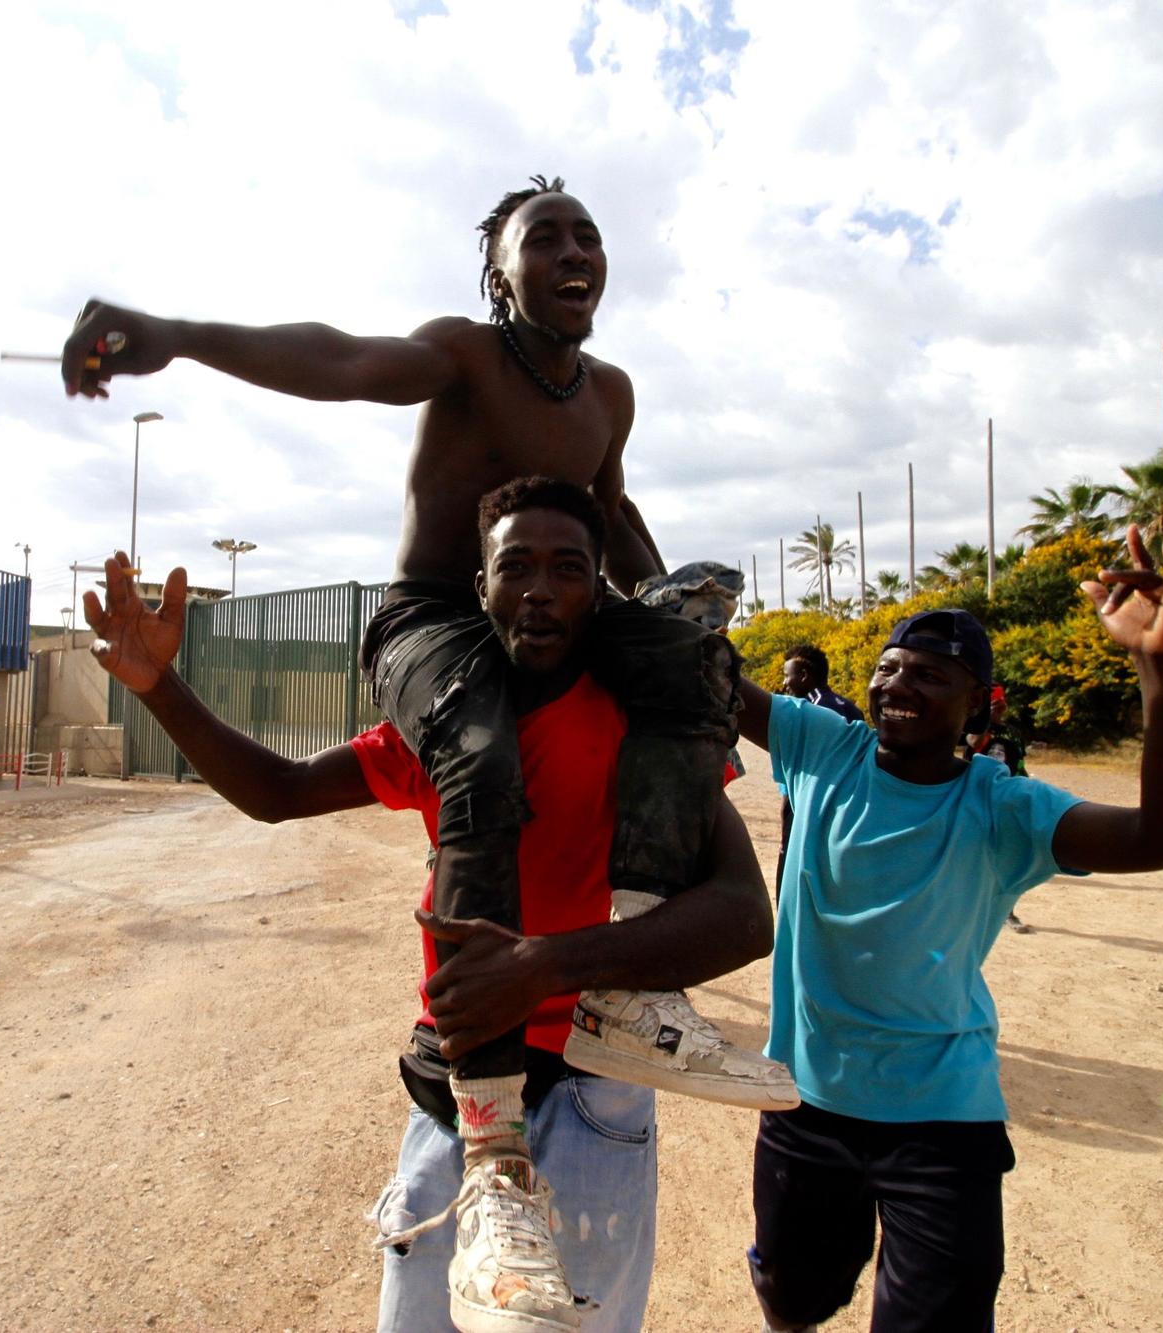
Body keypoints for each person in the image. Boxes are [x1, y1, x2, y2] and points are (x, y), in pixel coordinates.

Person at [62, 181, 789, 1158]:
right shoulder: (464, 352)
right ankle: (476, 1092)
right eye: (544, 240)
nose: (573, 252)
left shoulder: (608, 393)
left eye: (587, 236)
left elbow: (606, 513)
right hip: (440, 617)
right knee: (484, 754)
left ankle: (627, 981)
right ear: (499, 272)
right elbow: (344, 359)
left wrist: (671, 630)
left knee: (690, 663)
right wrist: (178, 333)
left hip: (548, 617)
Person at [82, 479, 775, 1332]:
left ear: (600, 591)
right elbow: (279, 790)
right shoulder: (448, 726)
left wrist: (549, 965)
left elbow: (745, 912)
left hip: (601, 1088)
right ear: (479, 590)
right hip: (460, 1094)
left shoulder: (648, 725)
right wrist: (159, 687)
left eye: (567, 568)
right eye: (514, 566)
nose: (539, 589)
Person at [733, 527, 1163, 1332]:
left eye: (929, 674)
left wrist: (1159, 669)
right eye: (887, 667)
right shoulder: (824, 748)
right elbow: (705, 675)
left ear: (979, 703)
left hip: (942, 1121)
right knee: (792, 1298)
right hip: (804, 1099)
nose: (898, 684)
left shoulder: (1002, 807)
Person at [771, 645, 860, 897]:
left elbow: (808, 765)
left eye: (787, 675)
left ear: (803, 676)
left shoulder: (811, 711)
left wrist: (787, 802)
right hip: (845, 804)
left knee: (796, 863)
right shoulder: (849, 706)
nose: (784, 683)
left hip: (812, 803)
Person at [963, 682, 1032, 933]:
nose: (998, 708)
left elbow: (1020, 763)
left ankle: (1008, 912)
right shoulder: (976, 729)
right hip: (975, 800)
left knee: (1007, 858)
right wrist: (985, 720)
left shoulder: (1013, 733)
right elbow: (972, 743)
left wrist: (1024, 791)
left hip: (1006, 800)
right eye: (994, 704)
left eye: (1000, 704)